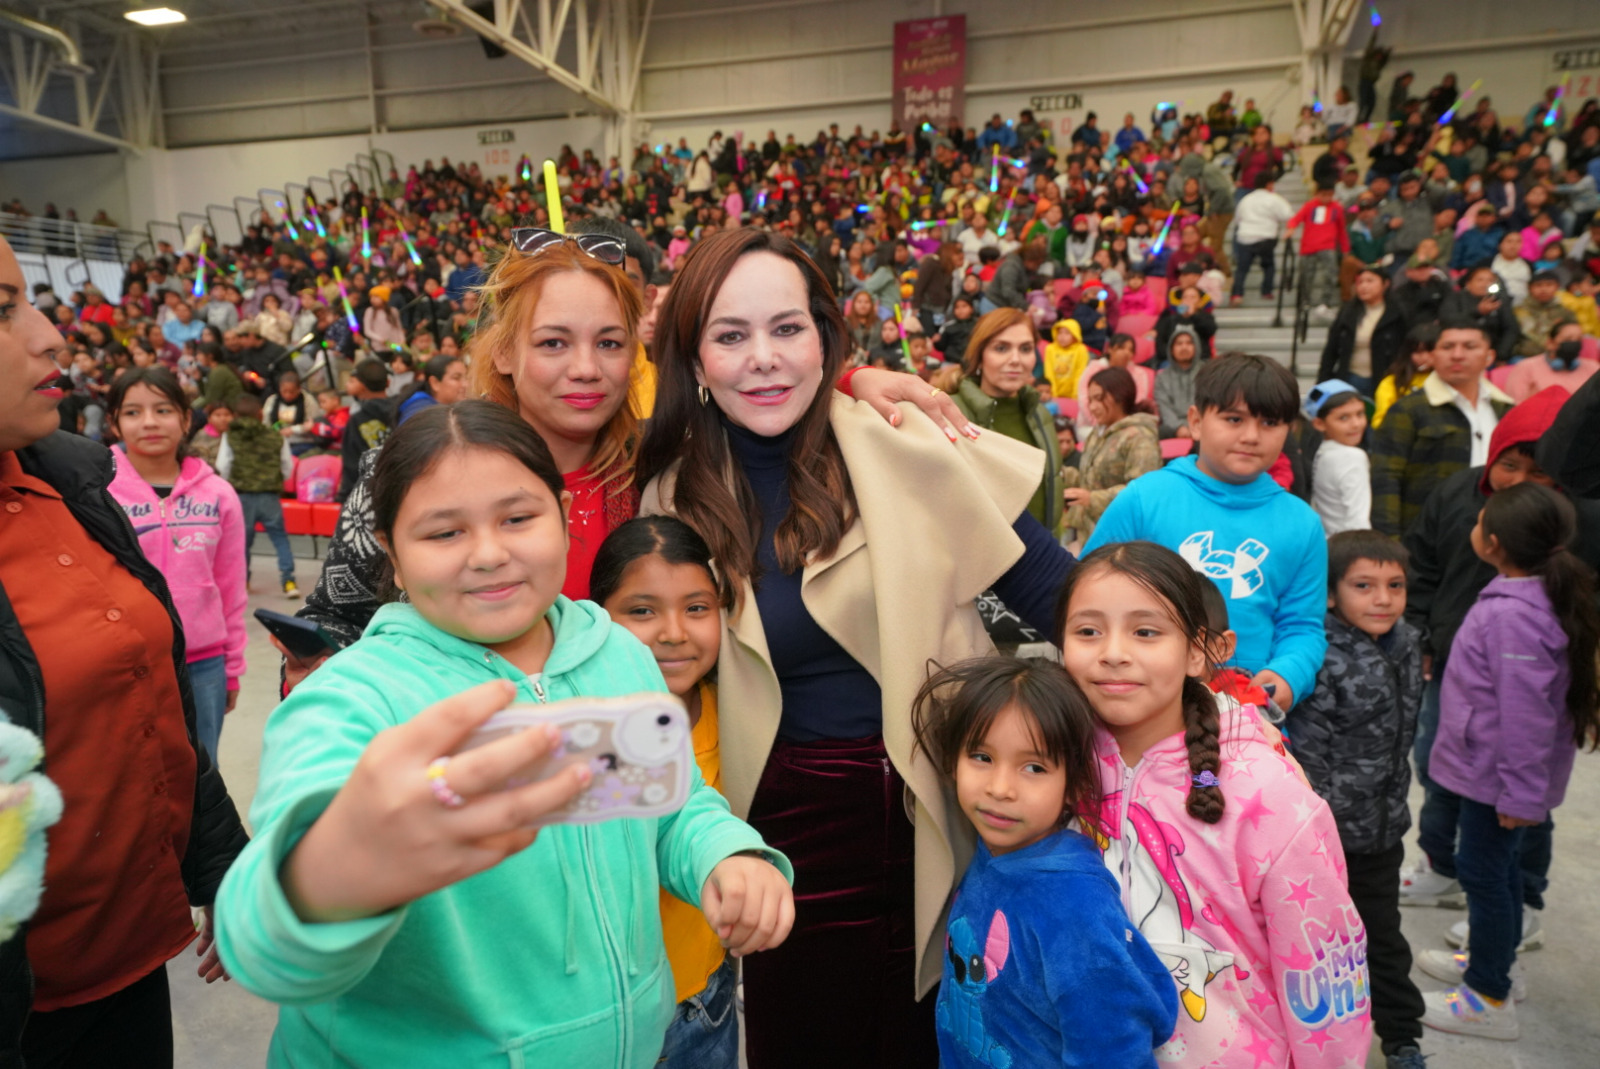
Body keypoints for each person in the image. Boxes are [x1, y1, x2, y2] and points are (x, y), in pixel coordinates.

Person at [212, 402, 795, 1067]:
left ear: (563, 515)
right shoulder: (351, 701)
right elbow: (262, 942)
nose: (490, 553)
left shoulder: (619, 655)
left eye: (519, 518)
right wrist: (332, 874)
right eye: (443, 533)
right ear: (391, 554)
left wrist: (725, 852)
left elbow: (668, 801)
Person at [636, 229, 1074, 1069]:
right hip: (780, 836)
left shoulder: (900, 435)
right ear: (692, 359)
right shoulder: (668, 495)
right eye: (730, 336)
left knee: (942, 1041)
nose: (764, 359)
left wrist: (1188, 679)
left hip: (945, 810)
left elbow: (1054, 591)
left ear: (827, 337)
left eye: (787, 329)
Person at [0, 233, 248, 1067]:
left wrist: (219, 864)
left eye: (30, 299)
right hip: (30, 1000)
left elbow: (157, 699)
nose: (48, 335)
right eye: (3, 311)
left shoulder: (70, 481)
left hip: (132, 953)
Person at [1057, 542, 1372, 1065]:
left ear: (1198, 652)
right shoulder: (1052, 764)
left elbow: (1325, 982)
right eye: (1087, 631)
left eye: (1146, 631)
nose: (1112, 651)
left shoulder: (1270, 798)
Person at [909, 658, 1178, 1068]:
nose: (1000, 788)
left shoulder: (1074, 906)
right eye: (981, 757)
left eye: (1033, 767)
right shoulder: (990, 852)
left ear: (1073, 787)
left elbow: (1113, 1045)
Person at [1398, 388, 1589, 927]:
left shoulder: (1568, 529)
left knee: (1515, 803)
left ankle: (1519, 900)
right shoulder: (1457, 494)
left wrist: (1524, 796)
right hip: (1457, 672)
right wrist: (1425, 637)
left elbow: (1529, 724)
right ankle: (1442, 862)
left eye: (1541, 474)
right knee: (1439, 764)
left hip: (1516, 693)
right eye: (1510, 466)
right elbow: (1424, 569)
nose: (1522, 485)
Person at [1418, 483, 1600, 1041]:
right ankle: (1494, 962)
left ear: (1492, 542)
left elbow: (1524, 715)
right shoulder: (1529, 594)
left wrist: (1521, 796)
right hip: (1493, 774)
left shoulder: (1514, 617)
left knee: (1485, 878)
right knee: (1498, 875)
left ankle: (1488, 996)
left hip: (1495, 781)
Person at [1085, 354, 1327, 711]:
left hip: (1245, 711)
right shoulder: (1142, 499)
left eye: (1270, 422)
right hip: (1140, 702)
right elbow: (1086, 600)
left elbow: (1303, 625)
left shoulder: (1302, 524)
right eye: (1233, 419)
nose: (1250, 436)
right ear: (1196, 422)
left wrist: (1288, 674)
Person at [590, 516, 741, 1069]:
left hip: (708, 998)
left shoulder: (739, 715)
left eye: (697, 608)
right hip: (615, 1019)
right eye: (642, 611)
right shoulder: (589, 729)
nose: (674, 632)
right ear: (597, 617)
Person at [1286, 531, 1428, 1069]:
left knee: (1384, 940)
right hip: (1328, 843)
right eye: (1363, 586)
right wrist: (1316, 835)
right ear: (1330, 594)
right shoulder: (1322, 655)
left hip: (1384, 831)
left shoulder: (1409, 643)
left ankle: (1402, 1039)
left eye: (1395, 585)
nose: (1383, 599)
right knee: (1319, 951)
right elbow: (1310, 762)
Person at [106, 367, 246, 761]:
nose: (149, 422)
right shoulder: (96, 494)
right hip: (124, 665)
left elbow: (231, 589)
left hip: (203, 666)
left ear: (186, 419)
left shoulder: (219, 495)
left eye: (163, 410)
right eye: (132, 412)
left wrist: (231, 666)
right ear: (114, 423)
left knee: (201, 775)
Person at [1370, 322, 1513, 538]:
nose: (1457, 355)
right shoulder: (1408, 410)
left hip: (1498, 533)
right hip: (1428, 535)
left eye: (1469, 346)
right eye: (1447, 347)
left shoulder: (1506, 409)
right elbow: (1385, 478)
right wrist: (1389, 541)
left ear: (1489, 356)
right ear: (1434, 355)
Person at [951, 308, 1063, 537]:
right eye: (1001, 348)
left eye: (1025, 349)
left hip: (1041, 556)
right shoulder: (951, 412)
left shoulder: (1040, 414)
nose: (1015, 360)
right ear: (979, 356)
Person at [1059, 366, 1160, 551]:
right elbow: (1089, 479)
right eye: (1090, 400)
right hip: (1089, 534)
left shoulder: (1139, 437)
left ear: (1120, 396)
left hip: (1120, 543)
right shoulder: (1098, 433)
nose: (1092, 407)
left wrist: (1092, 498)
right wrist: (1061, 474)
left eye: (1099, 398)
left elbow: (1143, 493)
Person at [218, 393, 298, 598]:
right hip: (270, 496)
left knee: (242, 542)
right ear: (260, 414)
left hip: (242, 497)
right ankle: (289, 581)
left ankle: (243, 581)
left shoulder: (230, 436)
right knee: (280, 537)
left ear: (235, 415)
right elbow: (287, 467)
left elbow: (223, 466)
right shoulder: (275, 436)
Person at [1319, 266, 1407, 394]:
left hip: (1384, 379)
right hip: (1349, 378)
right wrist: (1323, 381)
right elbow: (1331, 351)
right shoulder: (1348, 313)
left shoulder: (1398, 313)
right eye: (1360, 282)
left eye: (1370, 281)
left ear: (1385, 284)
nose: (1364, 286)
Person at [1305, 379, 1372, 534]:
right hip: (1348, 547)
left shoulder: (1321, 452)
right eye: (1343, 418)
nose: (1356, 424)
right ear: (1319, 424)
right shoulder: (1353, 456)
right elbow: (1358, 520)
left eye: (1360, 414)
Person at [1286, 179, 1350, 319]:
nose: (1326, 198)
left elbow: (1342, 231)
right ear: (1317, 194)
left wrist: (1345, 249)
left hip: (1328, 247)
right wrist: (1291, 229)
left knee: (1330, 274)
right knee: (1306, 275)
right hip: (1308, 247)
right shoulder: (1309, 206)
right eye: (1323, 194)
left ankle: (1325, 302)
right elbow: (1296, 219)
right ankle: (1304, 301)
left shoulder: (1337, 208)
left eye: (1329, 195)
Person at [1229, 174, 1292, 304]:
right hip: (1265, 237)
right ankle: (1266, 291)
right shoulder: (1274, 199)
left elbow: (1237, 219)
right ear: (1269, 184)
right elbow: (1289, 216)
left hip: (1245, 237)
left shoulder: (1246, 199)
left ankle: (1237, 294)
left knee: (1242, 268)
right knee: (1269, 265)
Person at [1440, 267, 1521, 365]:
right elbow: (1447, 321)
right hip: (1460, 352)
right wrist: (1477, 312)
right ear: (1468, 284)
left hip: (1493, 354)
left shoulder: (1499, 301)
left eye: (1490, 280)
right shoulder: (1455, 298)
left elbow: (1511, 329)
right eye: (1480, 280)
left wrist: (1501, 355)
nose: (1485, 284)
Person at [1505, 322, 1596, 402]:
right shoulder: (1526, 367)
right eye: (1568, 339)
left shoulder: (1593, 368)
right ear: (1550, 343)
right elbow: (1515, 406)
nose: (1574, 344)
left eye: (1578, 340)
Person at [1511, 271, 1579, 361]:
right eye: (1538, 285)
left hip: (1557, 356)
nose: (1544, 289)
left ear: (1557, 287)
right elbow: (1521, 333)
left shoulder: (1564, 311)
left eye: (1549, 285)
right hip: (1525, 355)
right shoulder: (1519, 310)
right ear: (1529, 288)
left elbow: (1574, 333)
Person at [1154, 325, 1203, 438]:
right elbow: (1164, 407)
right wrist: (1179, 427)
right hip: (1172, 428)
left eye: (1189, 343)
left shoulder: (1207, 373)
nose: (1184, 347)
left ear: (1197, 347)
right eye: (1179, 344)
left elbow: (1208, 406)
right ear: (1171, 349)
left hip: (1201, 424)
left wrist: (1194, 426)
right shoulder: (1162, 377)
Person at [262, 368, 322, 457]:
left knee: (288, 455)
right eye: (284, 391)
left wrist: (293, 430)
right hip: (278, 440)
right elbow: (265, 423)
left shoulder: (308, 401)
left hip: (302, 441)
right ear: (279, 389)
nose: (288, 395)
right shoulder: (272, 400)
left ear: (299, 389)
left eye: (292, 392)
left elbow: (314, 423)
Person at [396, 352, 469, 424]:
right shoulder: (420, 414)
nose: (466, 384)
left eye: (466, 377)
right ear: (435, 383)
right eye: (456, 378)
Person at [1042, 317, 1090, 402]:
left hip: (1074, 396)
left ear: (1075, 335)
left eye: (1067, 333)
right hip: (1054, 395)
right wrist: (1053, 394)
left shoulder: (1081, 350)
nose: (1062, 337)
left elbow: (1080, 373)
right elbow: (1049, 373)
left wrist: (1075, 396)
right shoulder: (1050, 348)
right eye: (1060, 333)